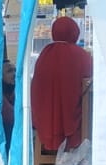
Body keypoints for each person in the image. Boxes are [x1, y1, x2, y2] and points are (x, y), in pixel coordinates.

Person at [30, 17, 93, 155]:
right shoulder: (82, 55)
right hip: (72, 118)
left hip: (45, 116)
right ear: (75, 32)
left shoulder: (44, 54)